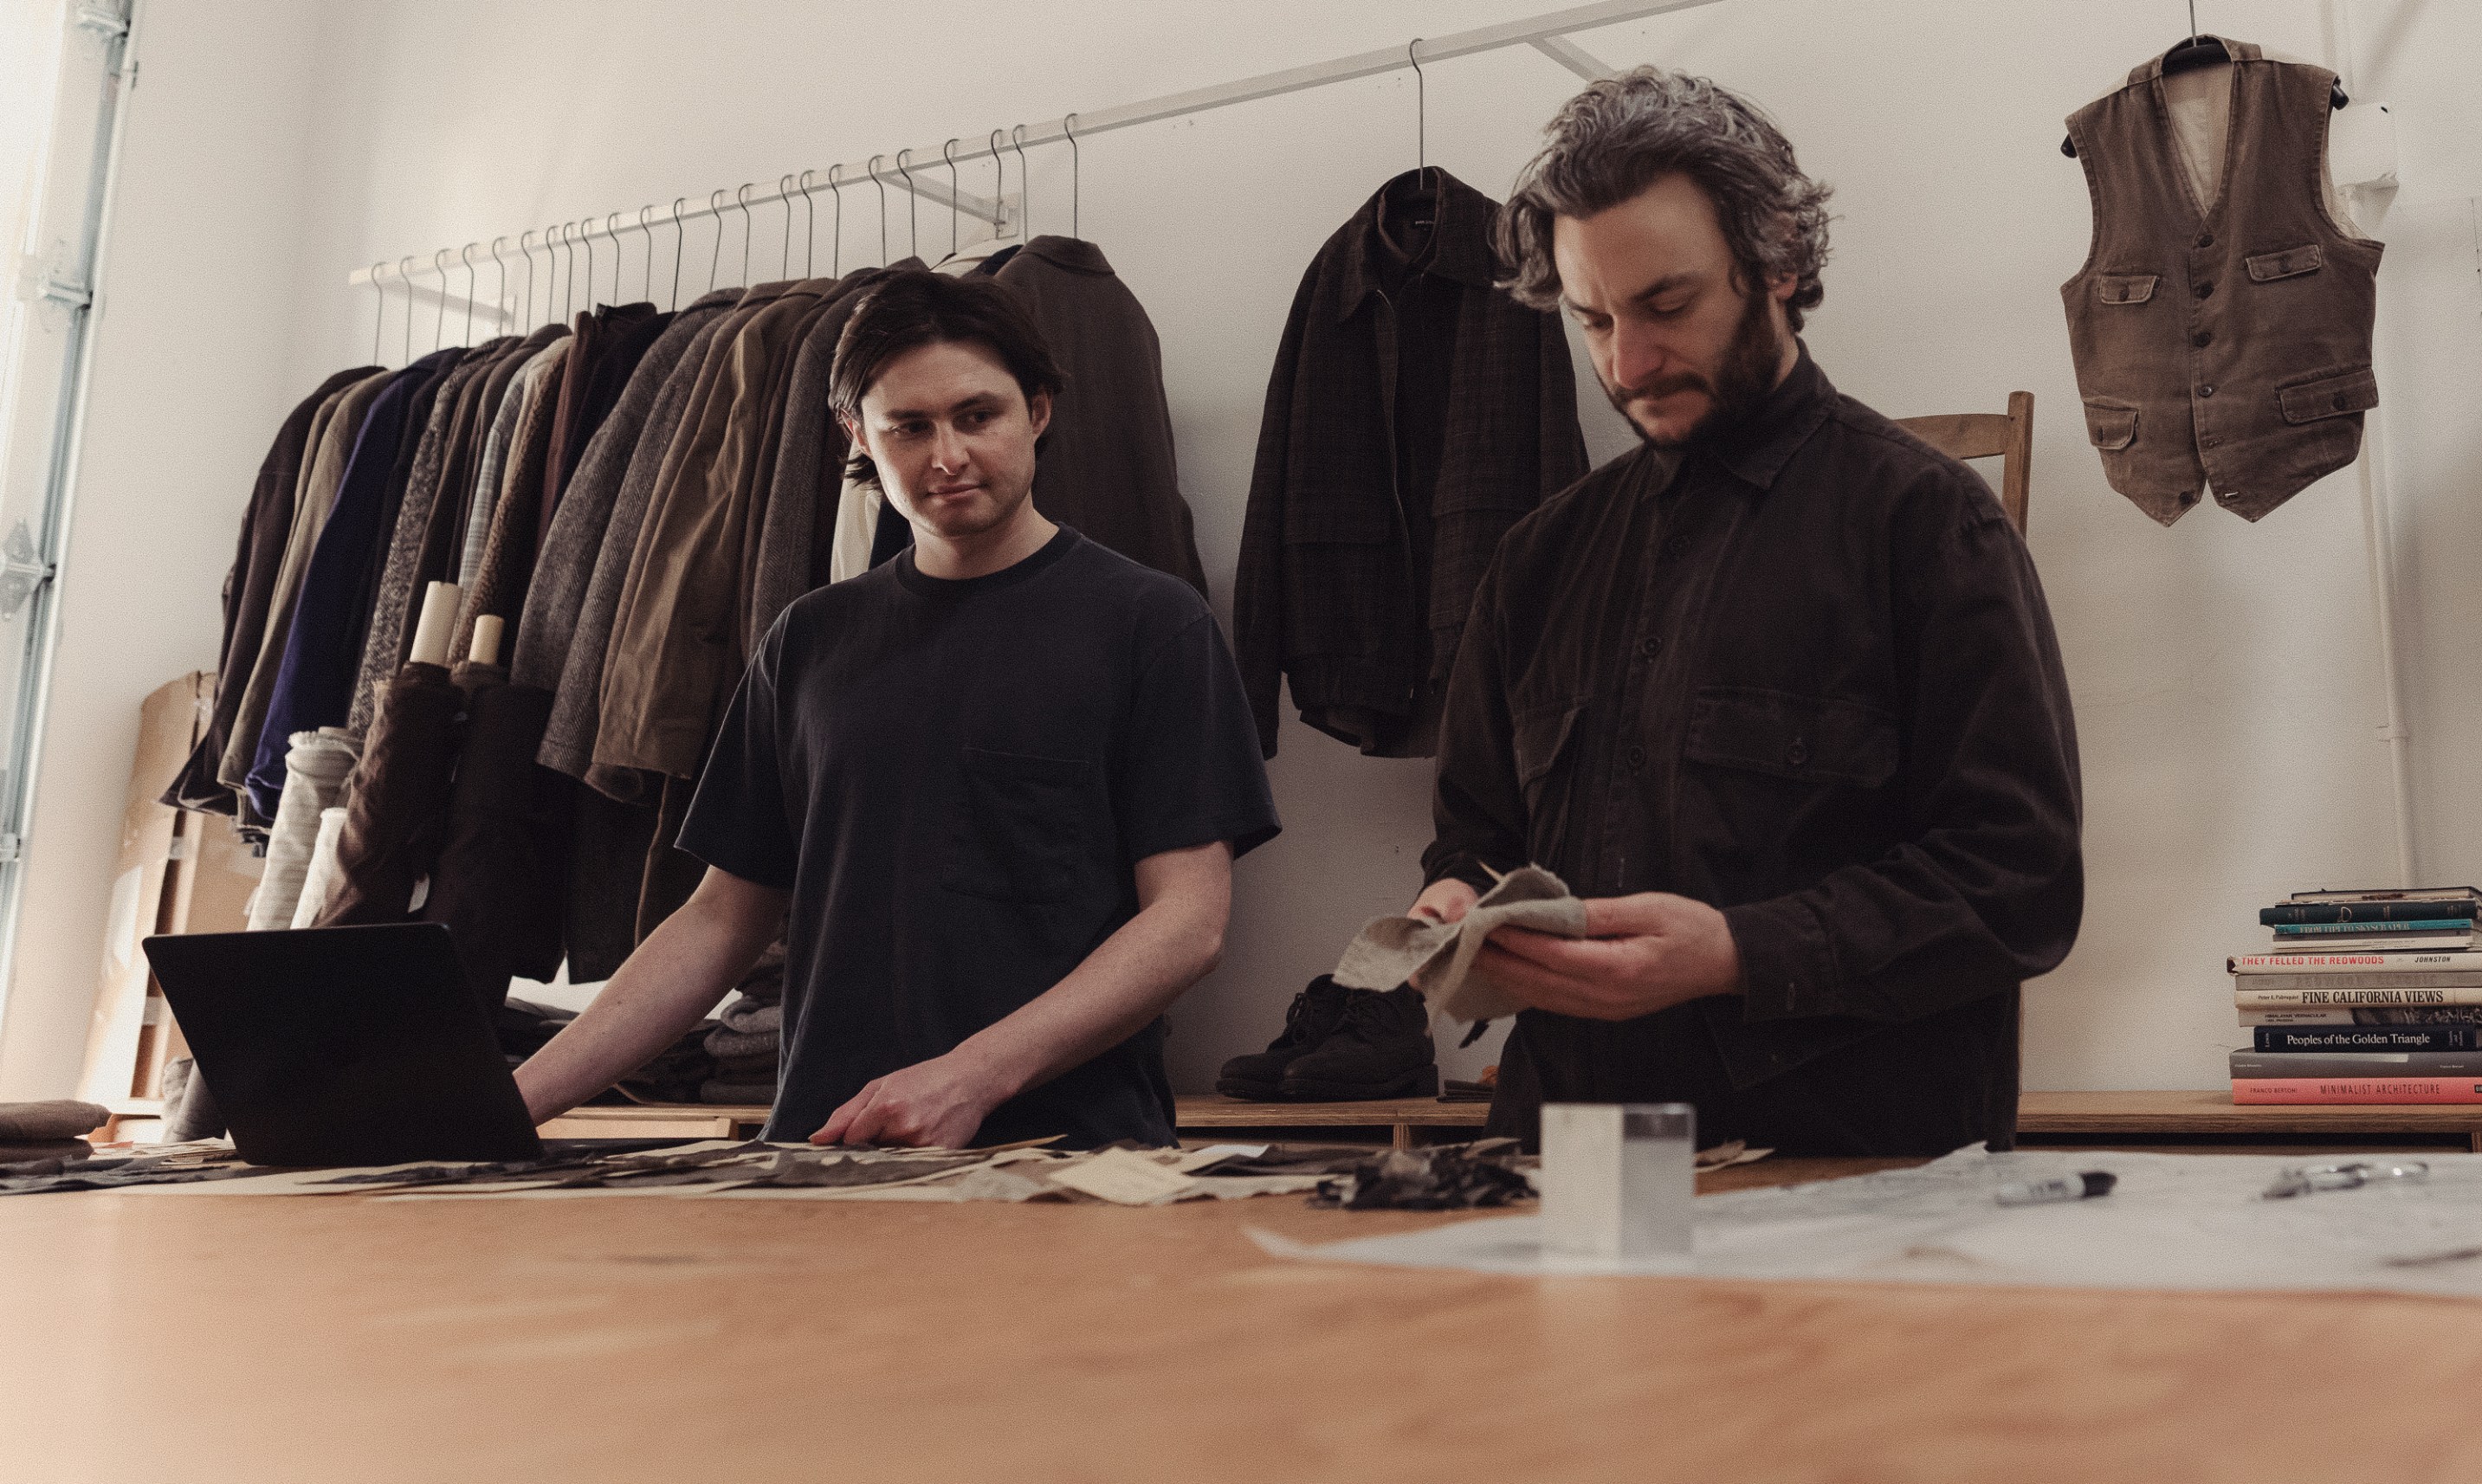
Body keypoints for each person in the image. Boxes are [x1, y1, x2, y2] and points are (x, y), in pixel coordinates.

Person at [1409, 69, 2084, 1152]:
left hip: (1854, 1187)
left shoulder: (1923, 523)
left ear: (1780, 263)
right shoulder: (1536, 561)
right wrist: (1453, 903)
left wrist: (1733, 951)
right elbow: (1476, 836)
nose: (1626, 364)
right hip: (1568, 1167)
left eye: (1666, 307)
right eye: (1591, 321)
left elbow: (2018, 883)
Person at [514, 273, 1277, 1147]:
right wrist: (508, 1101)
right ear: (857, 437)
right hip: (826, 1153)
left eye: (975, 415)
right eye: (909, 427)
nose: (945, 453)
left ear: (1037, 412)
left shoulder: (1149, 622)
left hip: (1069, 1162)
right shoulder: (808, 640)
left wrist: (968, 1079)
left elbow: (1187, 922)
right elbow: (720, 919)